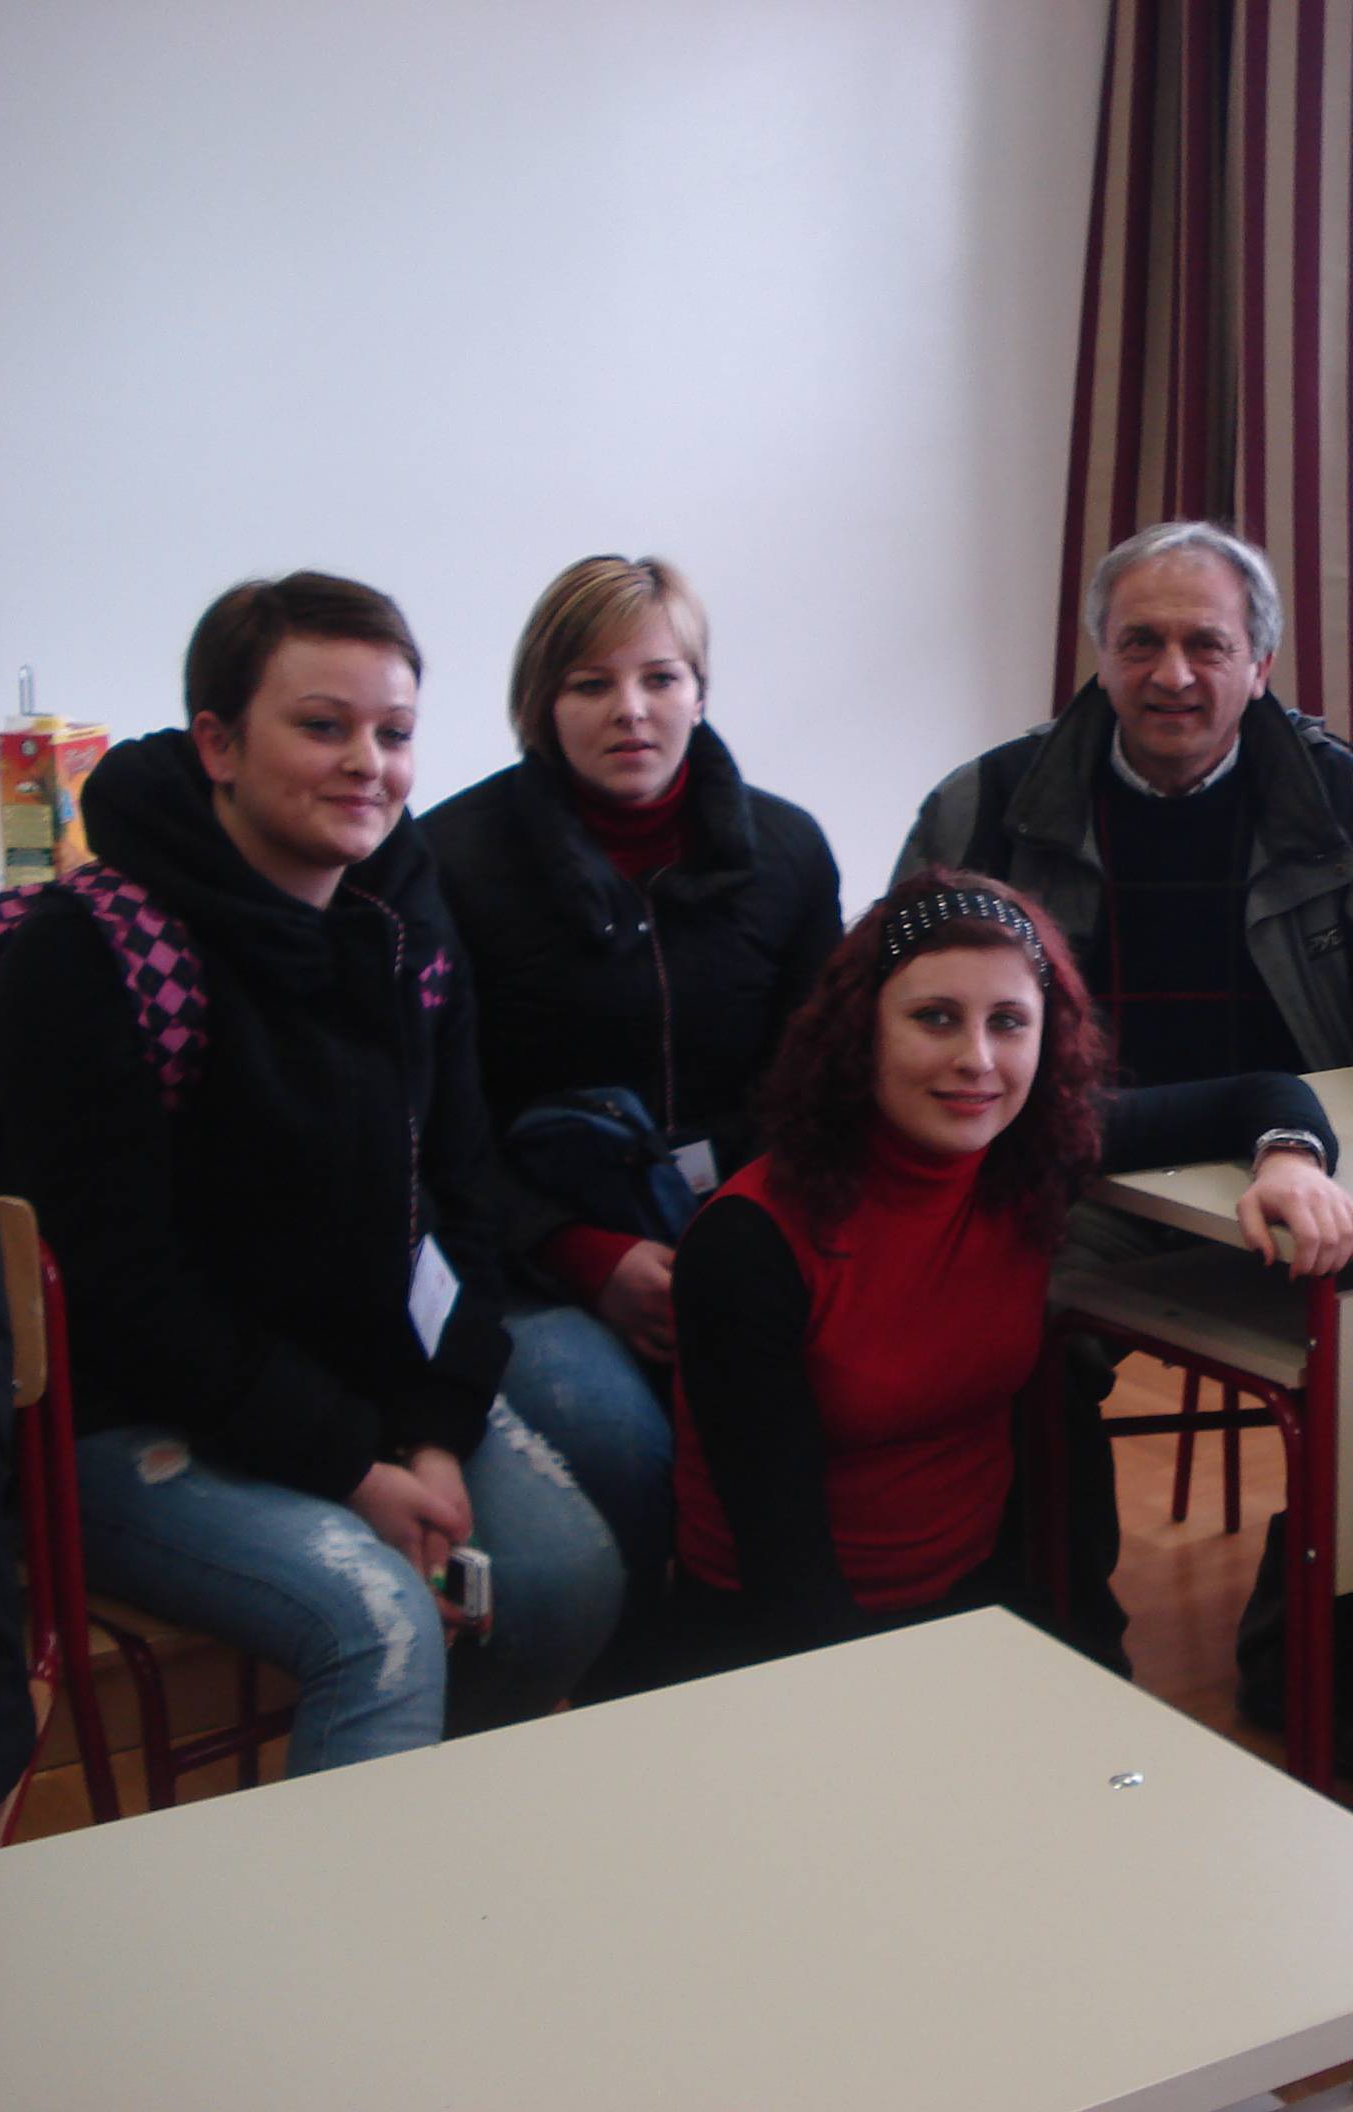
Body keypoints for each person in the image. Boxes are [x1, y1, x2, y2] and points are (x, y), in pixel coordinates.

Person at [896, 519, 1353, 1784]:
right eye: (1140, 643)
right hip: (1079, 1164)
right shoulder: (990, 804)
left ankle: (1298, 1655)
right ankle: (1066, 1653)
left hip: (1292, 1153)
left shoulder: (1341, 796)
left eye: (1206, 645)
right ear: (1097, 654)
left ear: (1261, 664)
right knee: (1011, 1328)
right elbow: (901, 991)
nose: (1173, 675)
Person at [0, 574, 622, 1773]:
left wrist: (432, 1435)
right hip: (132, 1420)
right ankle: (348, 1888)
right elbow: (123, 1289)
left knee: (563, 1581)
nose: (367, 766)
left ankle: (427, 1828)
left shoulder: (409, 928)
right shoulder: (91, 951)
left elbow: (459, 1201)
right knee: (376, 1627)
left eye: (394, 733)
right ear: (219, 745)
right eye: (322, 727)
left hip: (369, 1397)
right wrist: (348, 1468)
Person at [666, 870, 1353, 1673]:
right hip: (779, 1645)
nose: (977, 1060)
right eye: (935, 1018)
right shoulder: (750, 1242)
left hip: (974, 1598)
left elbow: (1259, 1094)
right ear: (861, 1033)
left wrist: (1290, 1162)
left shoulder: (1027, 1148)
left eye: (1008, 1022)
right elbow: (786, 1576)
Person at [424, 556, 841, 1667]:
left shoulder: (788, 851)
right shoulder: (447, 862)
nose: (631, 710)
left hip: (741, 1235)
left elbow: (816, 1091)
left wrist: (736, 1247)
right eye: (590, 684)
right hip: (529, 1264)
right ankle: (641, 1692)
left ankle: (794, 1671)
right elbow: (435, 1132)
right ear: (538, 703)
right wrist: (583, 1254)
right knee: (631, 1450)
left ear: (700, 691)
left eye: (660, 678)